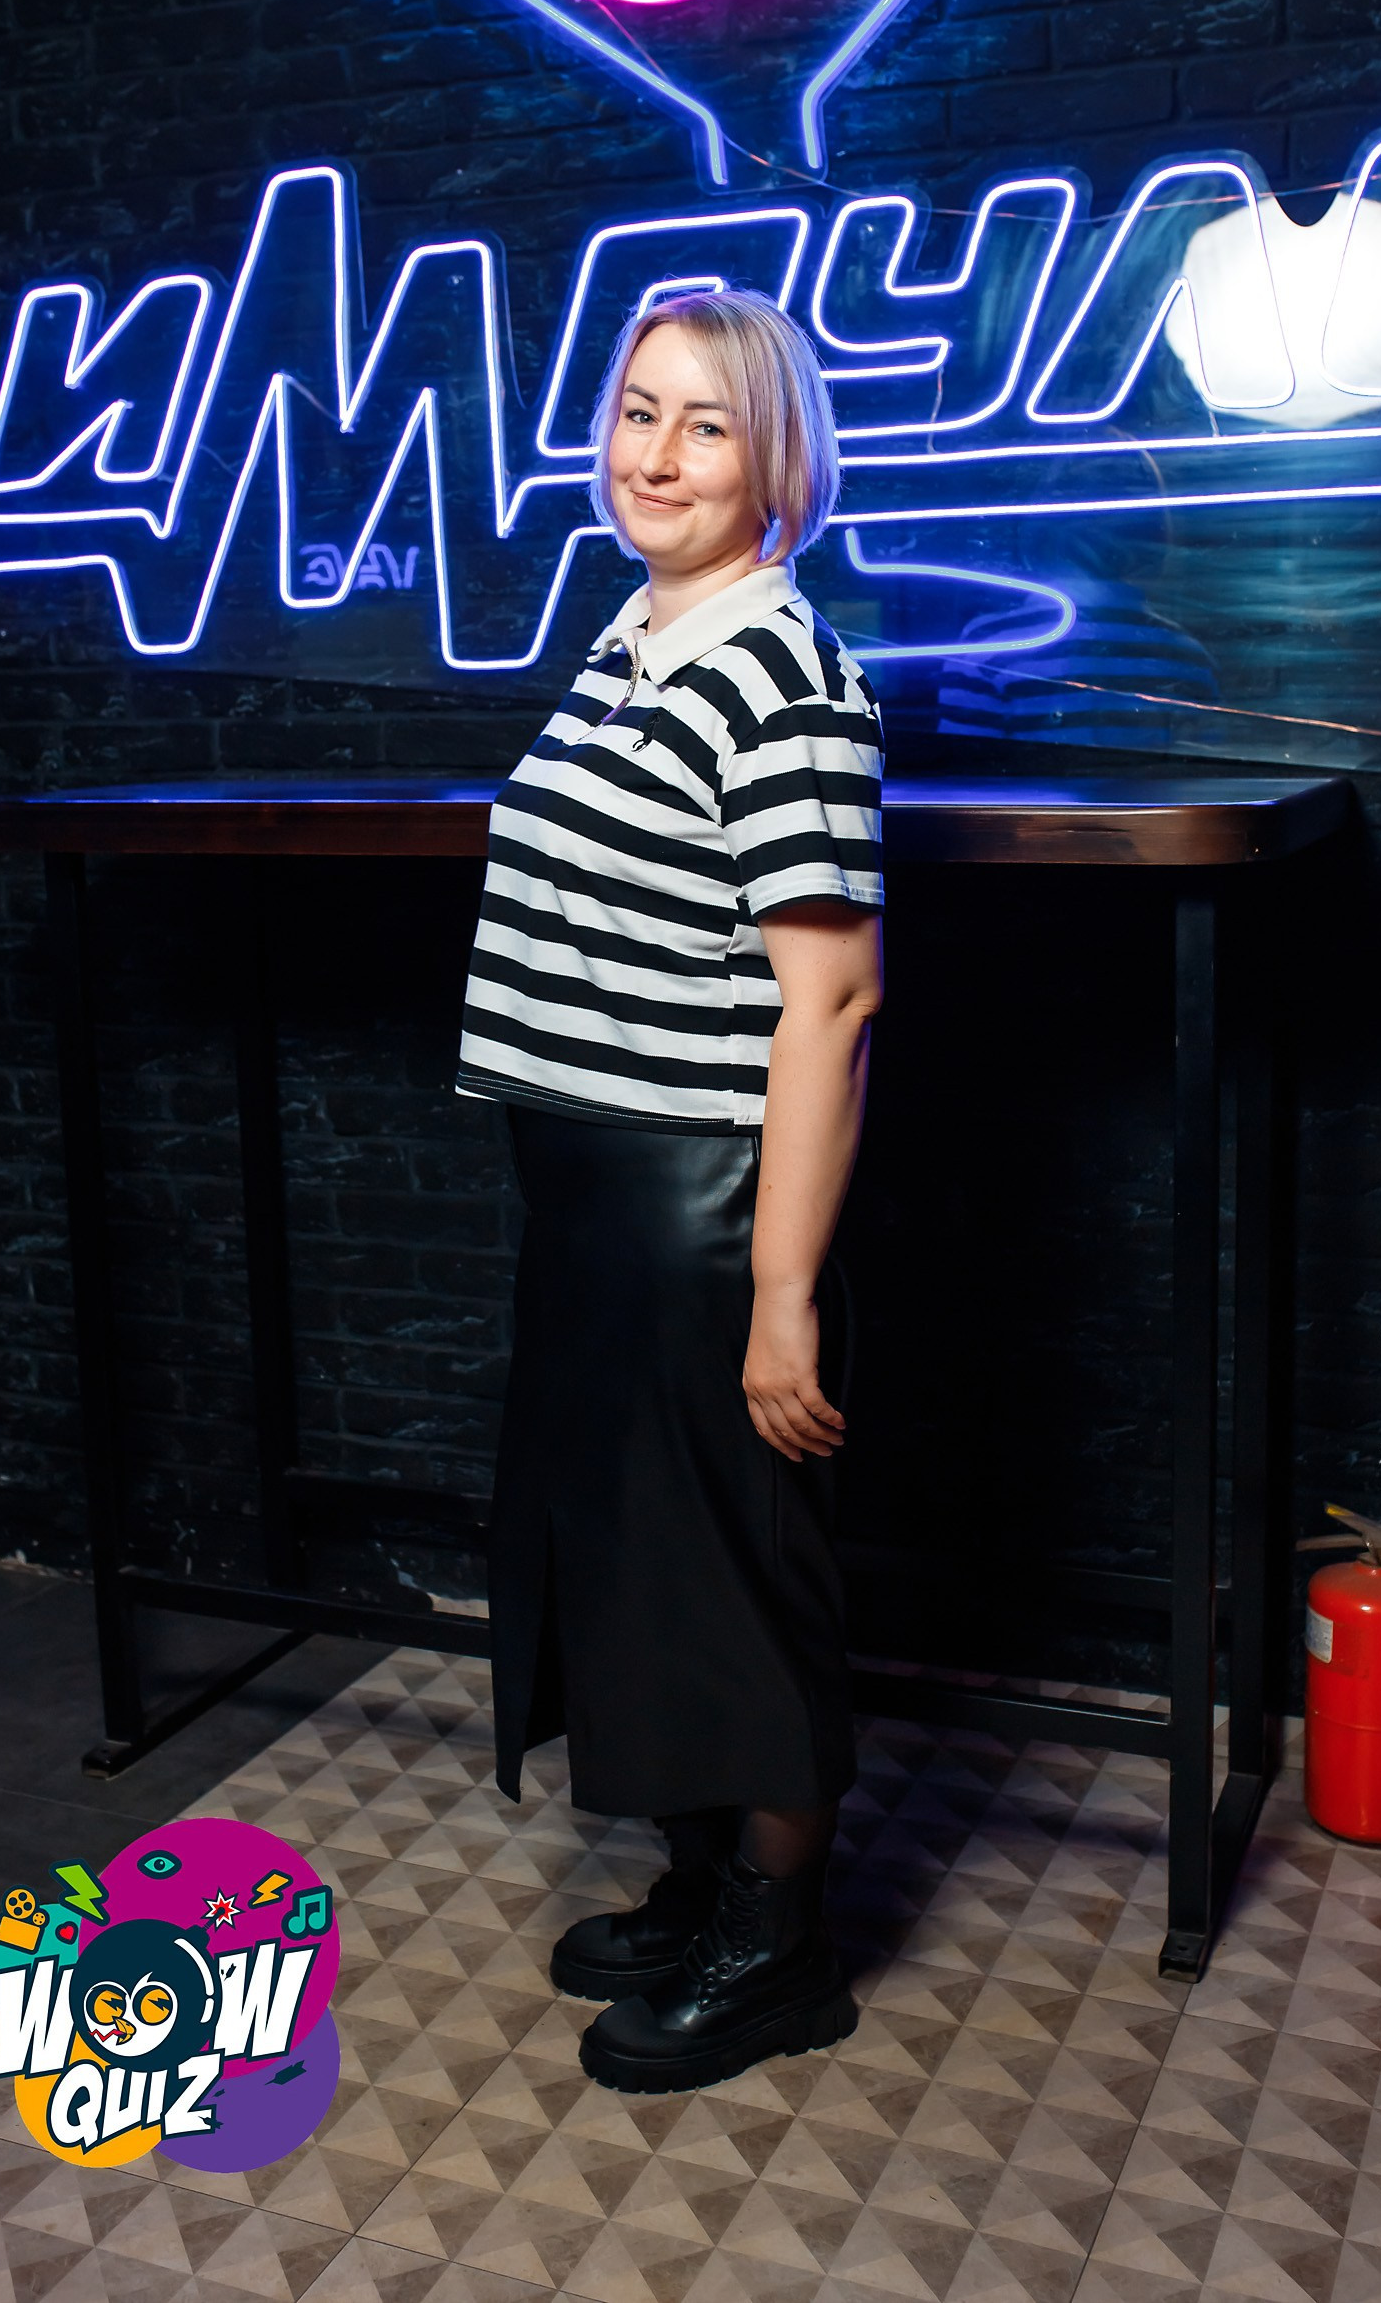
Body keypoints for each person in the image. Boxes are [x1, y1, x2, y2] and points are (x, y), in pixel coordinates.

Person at [457, 286, 884, 2095]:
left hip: (705, 1202)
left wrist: (780, 1297)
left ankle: (783, 1948)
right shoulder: (635, 637)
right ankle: (709, 1883)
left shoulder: (782, 675)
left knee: (733, 1573)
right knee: (643, 1563)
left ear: (773, 456)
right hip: (594, 1189)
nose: (658, 452)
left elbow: (832, 1001)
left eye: (707, 422)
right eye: (640, 411)